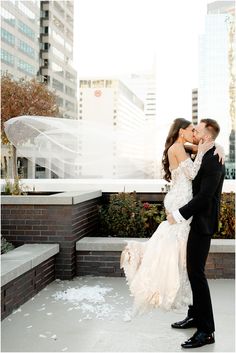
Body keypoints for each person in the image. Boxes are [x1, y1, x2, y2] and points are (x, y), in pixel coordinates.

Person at [167, 118, 225, 349]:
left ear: (207, 136)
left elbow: (204, 198)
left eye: (198, 130)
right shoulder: (206, 151)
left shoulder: (214, 160)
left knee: (197, 275)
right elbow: (186, 148)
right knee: (192, 273)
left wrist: (178, 215)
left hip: (201, 224)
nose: (194, 133)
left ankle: (207, 331)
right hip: (194, 222)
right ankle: (194, 315)